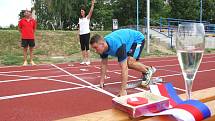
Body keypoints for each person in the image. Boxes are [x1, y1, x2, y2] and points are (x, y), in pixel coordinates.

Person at [90, 29, 156, 96]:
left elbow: (124, 68)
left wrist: (123, 90)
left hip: (137, 39)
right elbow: (104, 64)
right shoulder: (103, 49)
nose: (95, 51)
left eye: (95, 47)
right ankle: (148, 68)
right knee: (128, 63)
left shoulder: (117, 46)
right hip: (126, 41)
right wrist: (102, 80)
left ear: (102, 44)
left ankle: (147, 71)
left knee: (129, 63)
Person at [78, 0, 95, 65]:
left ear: (84, 12)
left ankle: (88, 60)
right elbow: (79, 28)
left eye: (82, 11)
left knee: (87, 47)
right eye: (81, 12)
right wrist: (78, 35)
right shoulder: (80, 19)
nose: (81, 12)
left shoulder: (87, 18)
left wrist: (92, 4)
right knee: (82, 48)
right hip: (81, 34)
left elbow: (91, 11)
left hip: (86, 34)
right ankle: (84, 60)